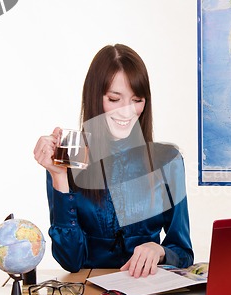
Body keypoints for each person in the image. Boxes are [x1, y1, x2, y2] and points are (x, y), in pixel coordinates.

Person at [33, 44, 193, 277]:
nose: (127, 112)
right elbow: (71, 261)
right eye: (114, 99)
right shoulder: (70, 153)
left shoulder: (167, 160)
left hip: (148, 294)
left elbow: (184, 253)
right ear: (95, 97)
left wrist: (158, 250)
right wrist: (58, 176)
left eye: (137, 100)